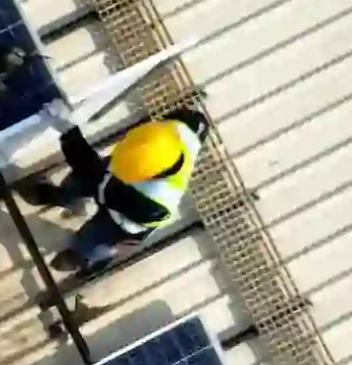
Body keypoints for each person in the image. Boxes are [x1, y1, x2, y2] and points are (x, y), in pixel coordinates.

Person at [17, 103, 211, 275]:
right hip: (134, 207)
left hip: (131, 209)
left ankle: (59, 206)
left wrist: (67, 129)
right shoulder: (173, 159)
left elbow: (90, 170)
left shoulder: (157, 153)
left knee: (91, 191)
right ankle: (76, 251)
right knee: (100, 229)